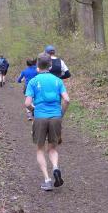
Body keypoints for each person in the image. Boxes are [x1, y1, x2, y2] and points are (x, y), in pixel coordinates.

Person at [25, 53, 70, 191]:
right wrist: (61, 113)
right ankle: (55, 168)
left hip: (40, 117)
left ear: (37, 66)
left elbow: (27, 103)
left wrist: (34, 110)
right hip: (55, 116)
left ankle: (47, 180)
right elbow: (67, 100)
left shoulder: (33, 81)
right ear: (50, 66)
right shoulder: (58, 81)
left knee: (40, 148)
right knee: (52, 148)